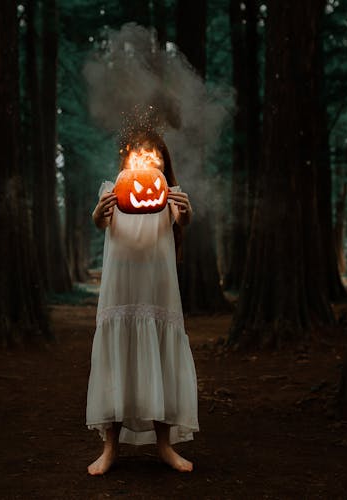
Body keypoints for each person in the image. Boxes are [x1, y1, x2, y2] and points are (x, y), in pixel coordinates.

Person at [86, 130, 199, 475]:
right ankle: (110, 449)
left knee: (160, 361)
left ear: (165, 162)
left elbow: (182, 224)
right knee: (117, 360)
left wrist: (187, 215)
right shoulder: (115, 188)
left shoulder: (170, 195)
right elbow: (101, 223)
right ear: (126, 160)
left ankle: (165, 446)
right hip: (121, 289)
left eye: (156, 155)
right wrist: (97, 214)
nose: (148, 160)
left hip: (156, 289)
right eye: (140, 154)